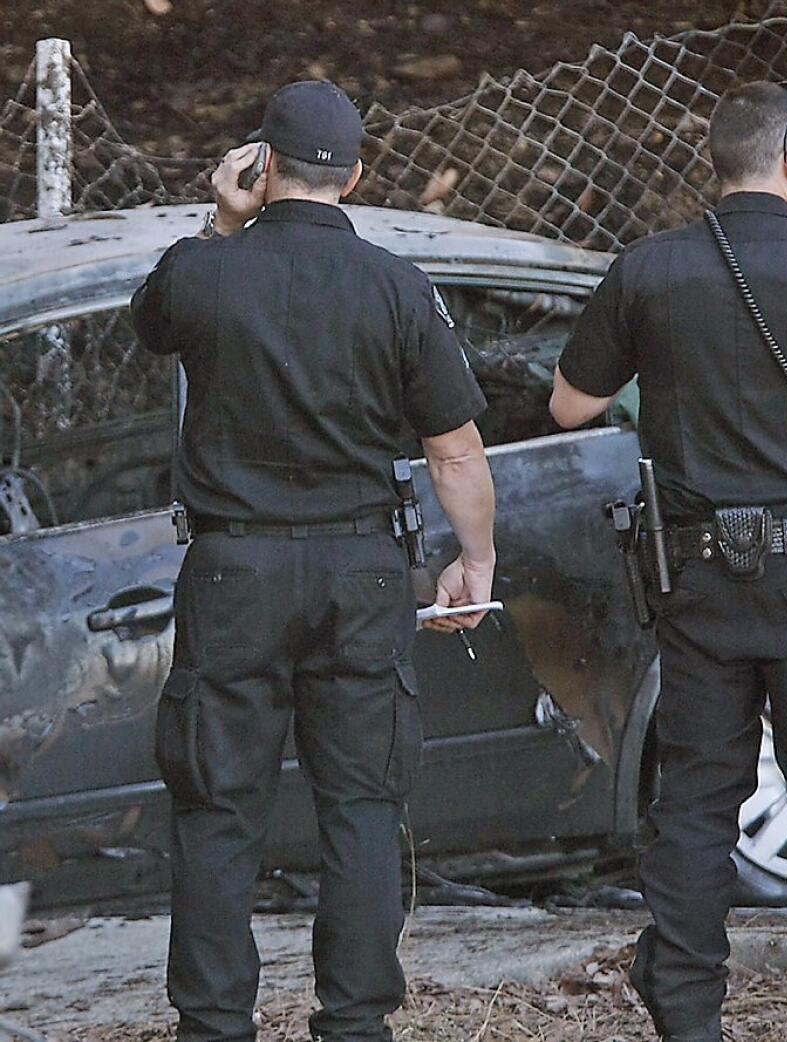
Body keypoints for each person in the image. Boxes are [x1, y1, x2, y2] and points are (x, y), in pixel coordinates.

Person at [550, 82, 787, 1042]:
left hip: (697, 581)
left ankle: (688, 1019)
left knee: (693, 803)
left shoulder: (648, 270)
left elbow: (568, 406)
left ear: (717, 164)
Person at [131, 80, 496, 1042]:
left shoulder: (205, 272)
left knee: (216, 812)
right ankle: (356, 1022)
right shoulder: (396, 286)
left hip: (232, 573)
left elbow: (152, 318)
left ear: (263, 167)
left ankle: (213, 1025)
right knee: (364, 808)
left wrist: (219, 219)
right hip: (362, 572)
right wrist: (475, 561)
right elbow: (453, 449)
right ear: (359, 176)